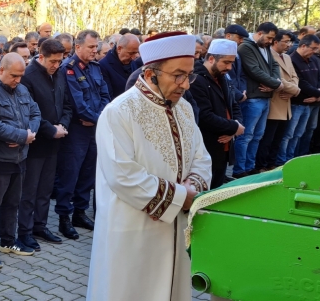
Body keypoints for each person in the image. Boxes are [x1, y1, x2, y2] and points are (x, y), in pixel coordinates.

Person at [88, 31, 211, 301]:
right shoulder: (118, 112)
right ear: (150, 73)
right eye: (177, 75)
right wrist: (182, 197)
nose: (185, 84)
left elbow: (202, 157)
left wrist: (194, 186)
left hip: (177, 228)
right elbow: (122, 176)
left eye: (189, 75)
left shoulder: (184, 108)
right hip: (133, 229)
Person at [0, 53, 41, 269]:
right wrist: (22, 136)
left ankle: (8, 241)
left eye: (21, 75)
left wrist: (28, 134)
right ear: (1, 70)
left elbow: (35, 112)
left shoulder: (21, 89)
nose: (18, 80)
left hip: (19, 158)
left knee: (13, 203)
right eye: (14, 75)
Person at [55, 30, 110, 240]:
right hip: (77, 130)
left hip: (93, 127)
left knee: (88, 173)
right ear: (78, 47)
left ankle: (80, 213)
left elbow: (105, 95)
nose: (94, 51)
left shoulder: (96, 68)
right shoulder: (68, 70)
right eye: (90, 47)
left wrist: (99, 118)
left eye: (96, 47)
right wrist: (97, 117)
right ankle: (63, 218)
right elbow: (77, 104)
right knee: (70, 175)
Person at [18, 39, 72, 250]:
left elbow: (67, 104)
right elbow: (27, 112)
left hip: (55, 142)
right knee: (29, 191)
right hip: (36, 144)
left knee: (46, 189)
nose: (56, 65)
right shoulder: (28, 77)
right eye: (53, 61)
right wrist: (50, 130)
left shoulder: (58, 74)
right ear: (41, 57)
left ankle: (40, 225)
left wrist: (63, 126)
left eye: (60, 61)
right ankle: (25, 231)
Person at [189, 39, 244, 189]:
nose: (229, 67)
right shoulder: (196, 79)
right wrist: (233, 127)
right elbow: (204, 116)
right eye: (226, 62)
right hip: (208, 147)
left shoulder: (222, 77)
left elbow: (234, 105)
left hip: (224, 146)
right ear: (211, 58)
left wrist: (235, 128)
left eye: (231, 63)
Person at [233, 22, 282, 178]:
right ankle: (240, 170)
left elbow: (275, 66)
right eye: (269, 37)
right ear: (260, 33)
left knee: (258, 135)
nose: (270, 41)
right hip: (253, 98)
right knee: (246, 135)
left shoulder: (266, 47)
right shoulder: (246, 47)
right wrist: (276, 84)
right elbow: (254, 71)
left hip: (265, 97)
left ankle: (250, 166)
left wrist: (274, 84)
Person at [255, 31, 300, 171]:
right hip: (275, 102)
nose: (289, 45)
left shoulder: (287, 57)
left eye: (290, 42)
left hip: (286, 102)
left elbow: (295, 77)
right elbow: (276, 79)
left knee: (279, 139)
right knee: (267, 139)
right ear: (275, 42)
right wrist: (295, 90)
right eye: (286, 41)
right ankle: (261, 165)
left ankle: (272, 164)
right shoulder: (268, 56)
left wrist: (293, 91)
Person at [276, 35, 320, 165]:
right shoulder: (293, 59)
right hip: (296, 103)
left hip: (308, 104)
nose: (315, 52)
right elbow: (301, 82)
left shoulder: (313, 60)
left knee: (299, 134)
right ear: (303, 46)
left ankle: (294, 159)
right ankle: (283, 161)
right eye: (313, 48)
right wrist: (318, 93)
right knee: (288, 135)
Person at [99, 34, 141, 99]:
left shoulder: (134, 62)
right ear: (119, 49)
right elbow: (108, 97)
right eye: (131, 53)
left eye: (136, 53)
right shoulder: (103, 65)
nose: (134, 57)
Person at [224, 24, 249, 104]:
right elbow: (224, 78)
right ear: (228, 36)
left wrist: (242, 92)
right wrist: (238, 95)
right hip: (227, 97)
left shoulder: (237, 53)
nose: (242, 41)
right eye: (239, 38)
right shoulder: (219, 53)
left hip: (238, 98)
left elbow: (241, 75)